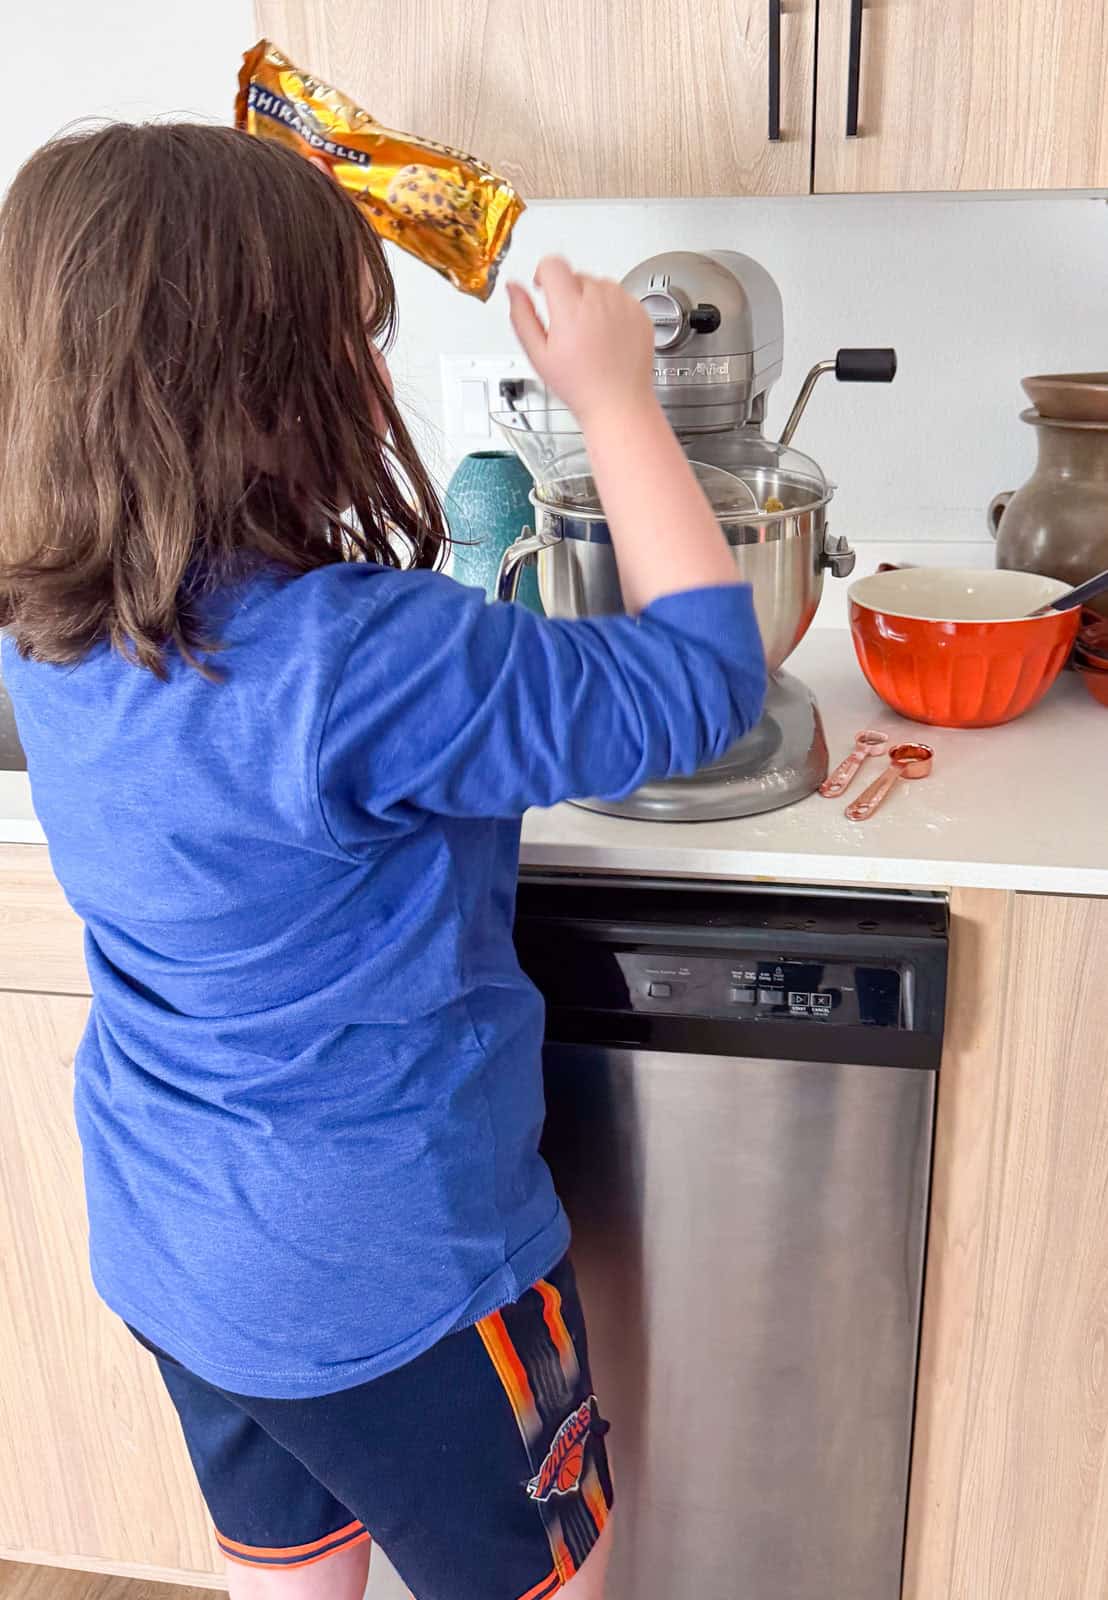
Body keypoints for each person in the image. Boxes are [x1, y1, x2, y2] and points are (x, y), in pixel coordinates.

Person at [0, 123, 765, 1600]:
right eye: (351, 337)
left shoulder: (46, 627)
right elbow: (701, 679)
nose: (372, 369)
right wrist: (615, 399)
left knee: (289, 1580)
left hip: (179, 1252)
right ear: (266, 383)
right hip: (401, 1282)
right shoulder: (367, 658)